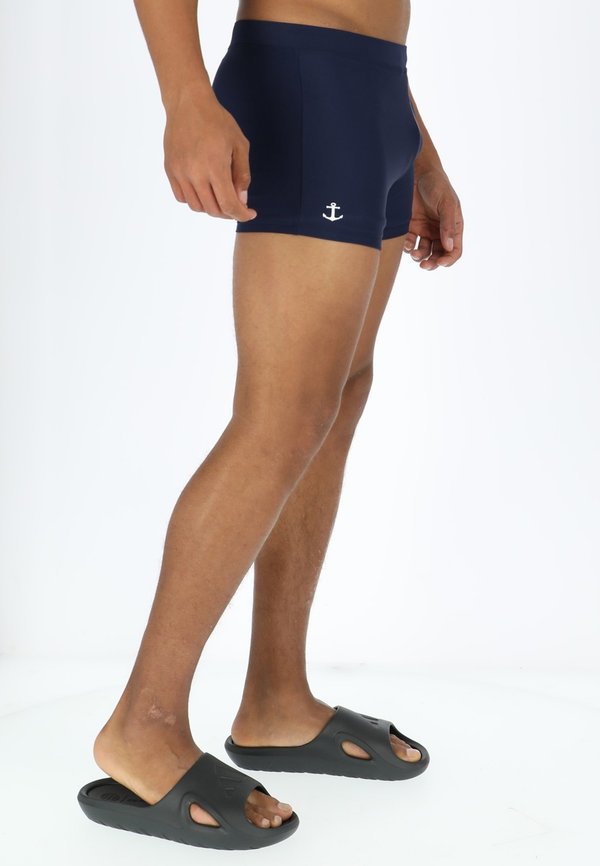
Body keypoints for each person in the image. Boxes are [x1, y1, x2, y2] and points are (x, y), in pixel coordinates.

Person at [76, 0, 464, 851]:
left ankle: (278, 702)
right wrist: (185, 95)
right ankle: (144, 724)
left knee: (338, 394)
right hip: (305, 82)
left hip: (373, 92)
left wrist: (418, 149)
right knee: (282, 416)